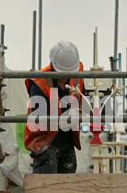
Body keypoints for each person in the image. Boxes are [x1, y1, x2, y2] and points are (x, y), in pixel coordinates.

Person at [24, 40, 84, 174]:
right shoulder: (39, 82)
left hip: (67, 139)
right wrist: (64, 118)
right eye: (62, 73)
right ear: (53, 66)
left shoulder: (78, 72)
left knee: (67, 187)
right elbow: (38, 120)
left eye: (69, 74)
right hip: (44, 141)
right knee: (45, 185)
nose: (66, 78)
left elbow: (82, 97)